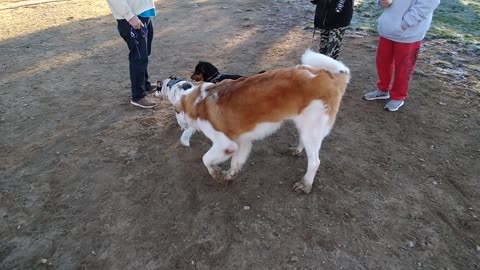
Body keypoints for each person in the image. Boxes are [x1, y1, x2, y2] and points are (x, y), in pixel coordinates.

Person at [364, 0, 440, 112]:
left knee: (404, 66)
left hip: (409, 32)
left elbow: (429, 3)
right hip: (388, 28)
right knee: (383, 61)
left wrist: (407, 22)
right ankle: (383, 89)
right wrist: (380, 2)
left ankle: (398, 96)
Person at [106, 0, 158, 109]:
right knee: (139, 57)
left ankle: (144, 84)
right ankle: (138, 96)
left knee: (145, 53)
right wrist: (130, 16)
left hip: (144, 14)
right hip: (132, 18)